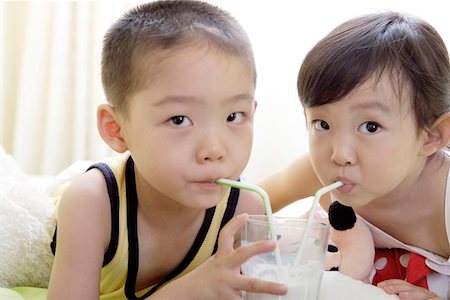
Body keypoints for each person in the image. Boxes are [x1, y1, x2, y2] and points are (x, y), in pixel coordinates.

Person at [47, 1, 288, 299]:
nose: (214, 150)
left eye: (234, 117)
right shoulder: (92, 203)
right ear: (116, 129)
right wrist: (185, 292)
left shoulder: (244, 209)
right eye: (179, 119)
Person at [260, 11, 450, 300]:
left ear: (431, 136)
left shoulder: (444, 200)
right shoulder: (319, 173)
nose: (340, 153)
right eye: (322, 124)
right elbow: (246, 206)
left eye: (370, 127)